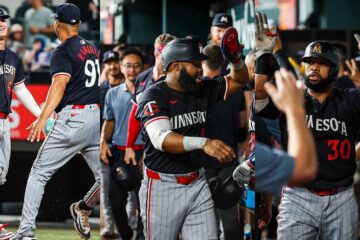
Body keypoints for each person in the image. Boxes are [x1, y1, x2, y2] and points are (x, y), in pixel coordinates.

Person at [135, 31, 248, 239]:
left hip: (197, 182)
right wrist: (204, 143)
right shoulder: (153, 95)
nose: (199, 69)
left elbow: (239, 80)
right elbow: (162, 139)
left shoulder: (203, 87)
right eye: (195, 63)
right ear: (176, 66)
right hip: (162, 186)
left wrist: (236, 60)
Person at [10, 4, 100, 240]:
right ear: (78, 24)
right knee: (106, 179)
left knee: (38, 173)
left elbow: (59, 85)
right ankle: (83, 207)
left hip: (73, 118)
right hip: (95, 118)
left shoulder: (61, 51)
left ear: (56, 24)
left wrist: (42, 116)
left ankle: (26, 232)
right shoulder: (92, 47)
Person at [255, 39, 360, 239]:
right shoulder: (292, 98)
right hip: (298, 196)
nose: (313, 67)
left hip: (341, 197)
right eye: (310, 62)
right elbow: (259, 95)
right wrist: (263, 56)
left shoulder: (350, 100)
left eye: (321, 63)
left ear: (334, 69)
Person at [0, 8, 42, 240]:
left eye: (3, 19)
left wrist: (40, 115)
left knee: (0, 175)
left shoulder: (13, 57)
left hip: (4, 121)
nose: (1, 23)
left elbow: (20, 89)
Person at [200, 43, 245, 239]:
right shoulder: (234, 89)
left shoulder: (195, 88)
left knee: (204, 222)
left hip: (201, 162)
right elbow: (243, 124)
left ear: (202, 62)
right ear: (223, 62)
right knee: (229, 221)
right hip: (229, 160)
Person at [100, 48, 144, 240]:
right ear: (121, 67)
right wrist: (102, 142)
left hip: (145, 153)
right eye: (128, 65)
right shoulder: (112, 93)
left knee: (145, 203)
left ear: (143, 68)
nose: (132, 70)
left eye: (136, 66)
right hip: (118, 154)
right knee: (115, 201)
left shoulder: (151, 92)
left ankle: (142, 236)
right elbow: (109, 121)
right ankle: (126, 235)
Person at [124, 33, 176, 165]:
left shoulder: (176, 80)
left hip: (171, 143)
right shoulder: (142, 78)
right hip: (148, 145)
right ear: (156, 53)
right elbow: (136, 112)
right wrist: (129, 145)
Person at [99, 49, 123, 238]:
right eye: (109, 63)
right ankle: (109, 225)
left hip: (124, 145)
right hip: (106, 145)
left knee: (127, 188)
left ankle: (129, 223)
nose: (113, 66)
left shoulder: (128, 87)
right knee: (106, 189)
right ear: (104, 66)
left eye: (116, 62)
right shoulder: (100, 90)